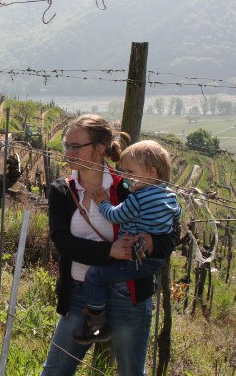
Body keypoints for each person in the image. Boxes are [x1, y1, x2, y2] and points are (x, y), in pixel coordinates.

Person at [40, 115, 178, 376]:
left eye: (75, 146)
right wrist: (109, 252)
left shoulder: (129, 186)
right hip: (79, 293)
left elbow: (169, 229)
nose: (67, 152)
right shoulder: (62, 190)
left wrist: (152, 242)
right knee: (54, 372)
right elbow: (63, 243)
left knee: (130, 372)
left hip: (128, 294)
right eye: (65, 145)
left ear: (99, 149)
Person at [73, 140, 182, 345]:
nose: (125, 178)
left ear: (151, 172)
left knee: (96, 276)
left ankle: (96, 322)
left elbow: (115, 216)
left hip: (134, 259)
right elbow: (177, 217)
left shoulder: (138, 198)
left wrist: (102, 202)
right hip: (154, 261)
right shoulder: (170, 195)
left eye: (130, 172)